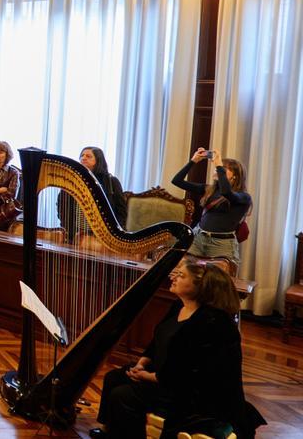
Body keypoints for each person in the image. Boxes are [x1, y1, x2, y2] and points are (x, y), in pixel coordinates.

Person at [92, 259, 265, 439]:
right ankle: (110, 430)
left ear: (201, 287)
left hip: (194, 393)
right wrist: (142, 363)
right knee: (113, 378)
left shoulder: (213, 322)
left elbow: (191, 373)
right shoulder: (179, 306)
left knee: (123, 396)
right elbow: (156, 343)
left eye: (181, 275)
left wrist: (149, 376)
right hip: (167, 376)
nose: (173, 277)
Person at [172, 149, 251, 265]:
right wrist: (193, 161)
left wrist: (219, 165)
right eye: (218, 167)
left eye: (224, 168)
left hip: (221, 244)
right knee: (185, 270)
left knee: (216, 279)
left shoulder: (244, 197)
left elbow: (227, 193)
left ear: (235, 176)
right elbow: (177, 181)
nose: (217, 169)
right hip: (198, 237)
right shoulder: (209, 189)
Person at [59, 147, 126, 241]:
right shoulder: (71, 180)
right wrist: (67, 228)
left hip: (103, 236)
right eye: (82, 155)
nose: (83, 158)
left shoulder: (112, 181)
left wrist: (114, 232)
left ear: (98, 160)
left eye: (88, 156)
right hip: (75, 234)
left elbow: (121, 210)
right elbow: (62, 206)